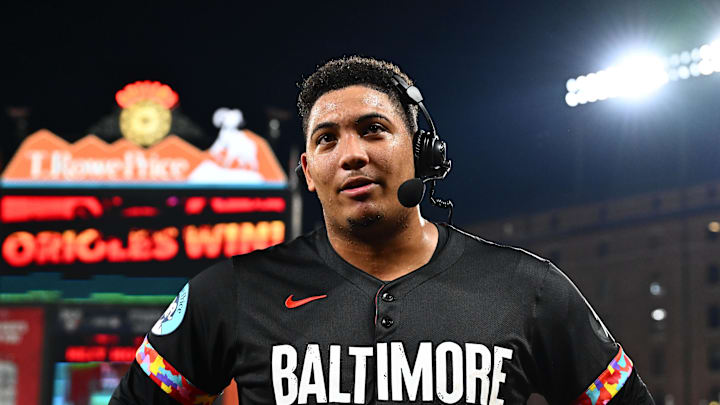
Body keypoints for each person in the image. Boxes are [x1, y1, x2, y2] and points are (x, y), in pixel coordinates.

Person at [110, 56, 654, 405]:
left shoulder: (528, 287)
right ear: (307, 171)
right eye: (326, 139)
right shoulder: (228, 292)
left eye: (373, 130)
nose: (351, 154)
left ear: (420, 152)